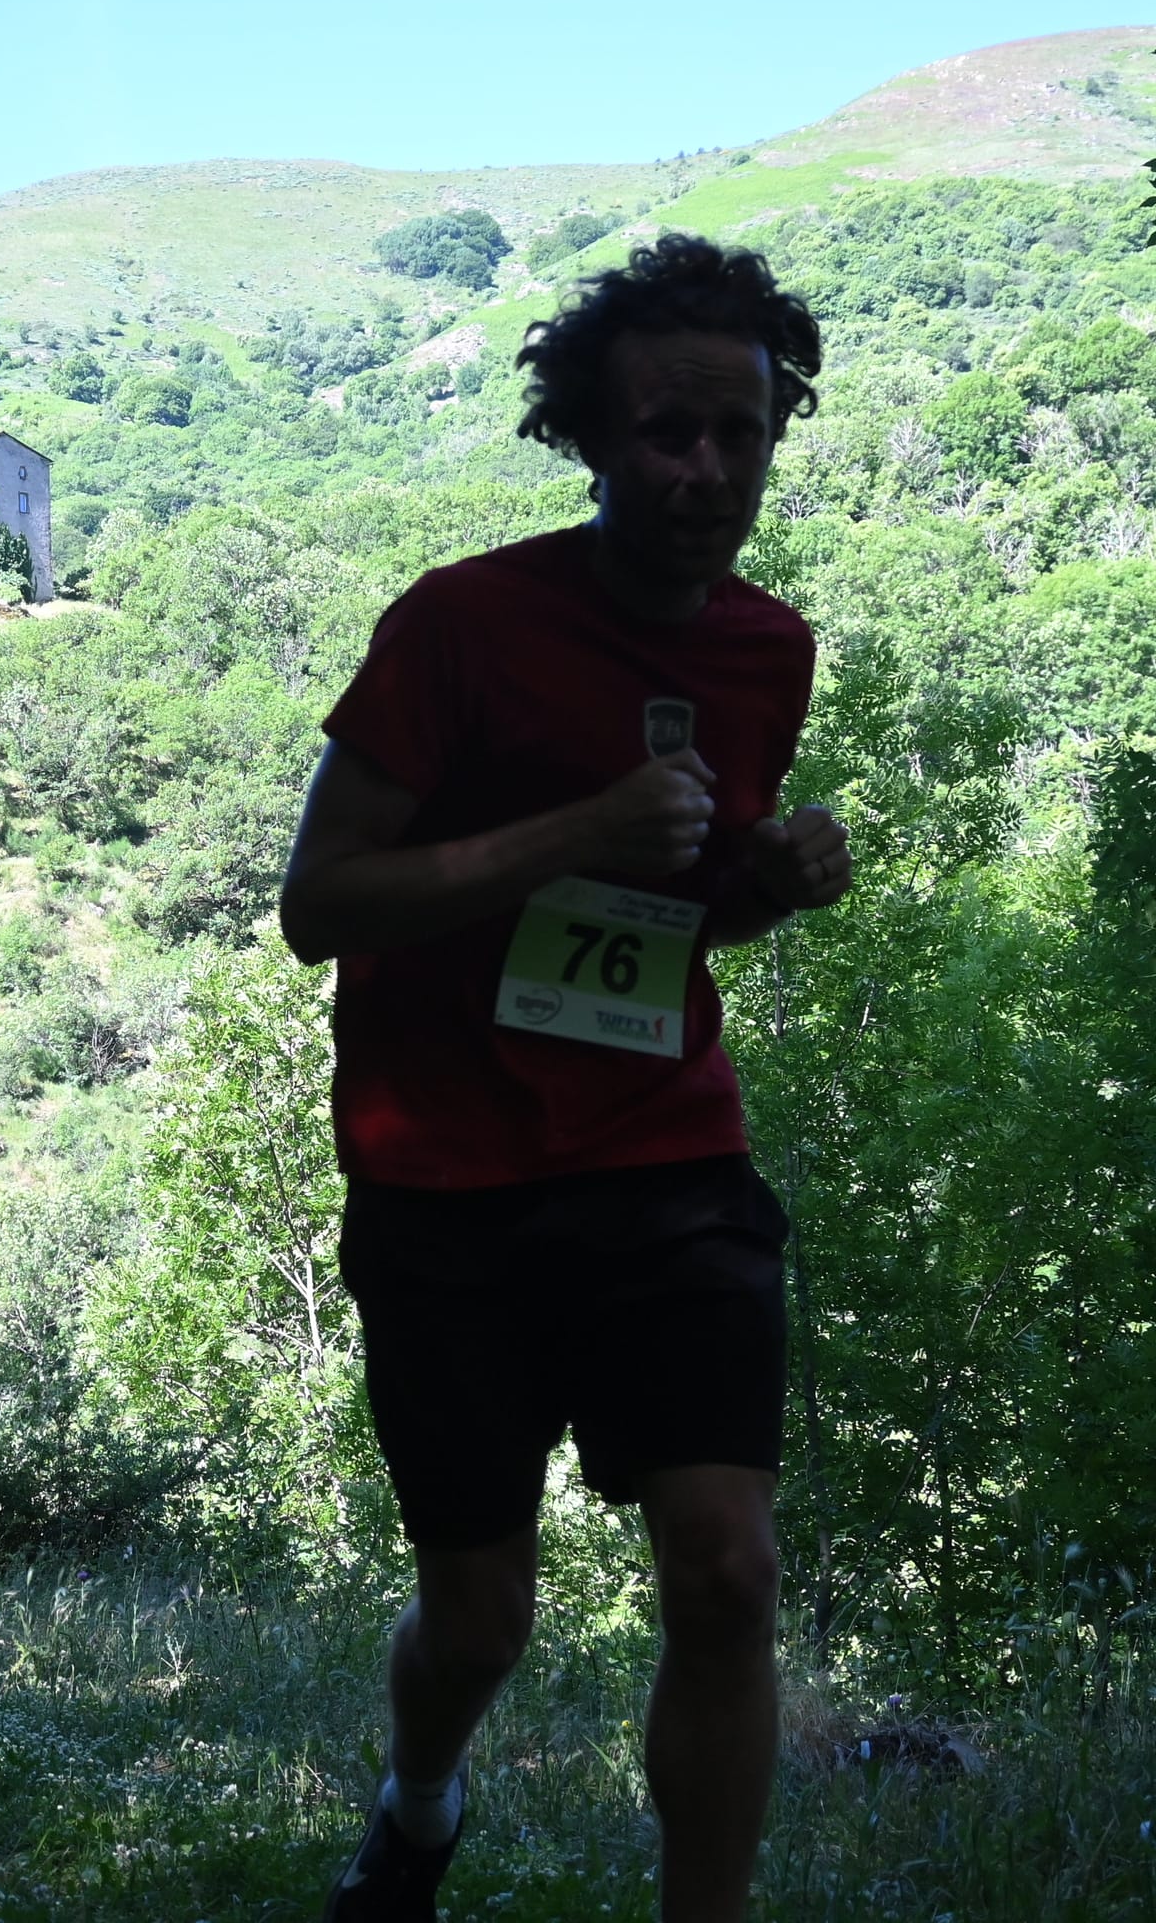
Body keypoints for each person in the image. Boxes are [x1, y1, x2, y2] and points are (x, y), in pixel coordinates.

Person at [278, 233, 853, 1923]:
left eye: (737, 434)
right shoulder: (458, 626)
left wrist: (759, 882)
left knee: (729, 1567)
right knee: (481, 1617)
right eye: (666, 433)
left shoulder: (768, 651)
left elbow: (669, 919)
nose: (703, 471)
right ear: (592, 440)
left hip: (663, 1154)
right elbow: (321, 906)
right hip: (443, 1177)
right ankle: (422, 1802)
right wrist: (572, 835)